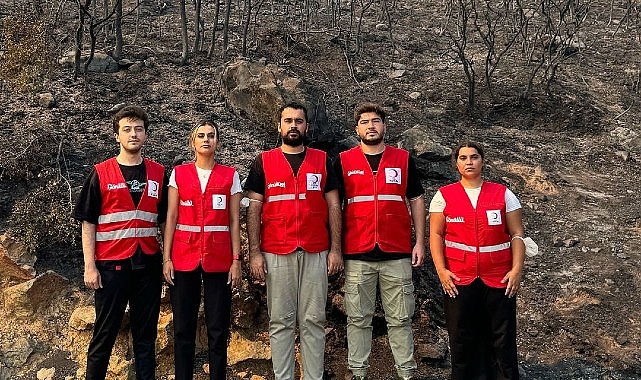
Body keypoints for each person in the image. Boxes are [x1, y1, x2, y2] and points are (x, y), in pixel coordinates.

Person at [245, 102, 343, 380]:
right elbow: (254, 209)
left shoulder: (322, 160)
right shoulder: (263, 161)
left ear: (306, 127)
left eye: (299, 121)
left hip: (316, 250)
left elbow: (335, 206)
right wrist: (255, 253)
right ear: (279, 126)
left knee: (314, 321)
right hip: (277, 251)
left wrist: (336, 250)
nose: (293, 126)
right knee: (280, 322)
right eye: (288, 120)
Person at [74, 105, 168, 380]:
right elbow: (88, 221)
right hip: (111, 267)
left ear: (146, 135)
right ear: (117, 135)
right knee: (104, 335)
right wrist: (89, 267)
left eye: (138, 129)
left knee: (146, 337)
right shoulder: (101, 173)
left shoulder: (159, 173)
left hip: (147, 265)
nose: (133, 134)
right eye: (126, 129)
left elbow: (164, 221)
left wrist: (167, 259)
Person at [334, 102, 426, 380]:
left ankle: (406, 373)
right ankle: (358, 372)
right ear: (356, 129)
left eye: (376, 121)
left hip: (396, 253)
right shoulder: (344, 160)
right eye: (365, 122)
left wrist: (419, 241)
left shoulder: (402, 158)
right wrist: (336, 249)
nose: (371, 126)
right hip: (358, 253)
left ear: (384, 126)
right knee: (358, 320)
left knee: (400, 320)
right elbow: (334, 205)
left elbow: (417, 200)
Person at [428, 141, 525, 380]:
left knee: (502, 338)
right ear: (456, 163)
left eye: (474, 157)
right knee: (462, 338)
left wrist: (516, 270)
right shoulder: (444, 196)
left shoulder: (503, 194)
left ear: (482, 160)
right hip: (459, 277)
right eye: (463, 158)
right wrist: (441, 270)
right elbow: (436, 235)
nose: (469, 162)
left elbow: (517, 234)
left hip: (499, 277)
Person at [162, 120, 242, 380]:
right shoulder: (179, 173)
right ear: (193, 142)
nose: (206, 139)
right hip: (183, 259)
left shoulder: (230, 175)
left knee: (217, 329)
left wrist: (236, 260)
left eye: (211, 135)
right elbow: (171, 216)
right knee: (183, 328)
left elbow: (233, 221)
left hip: (218, 261)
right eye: (201, 136)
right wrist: (167, 258)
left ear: (218, 142)